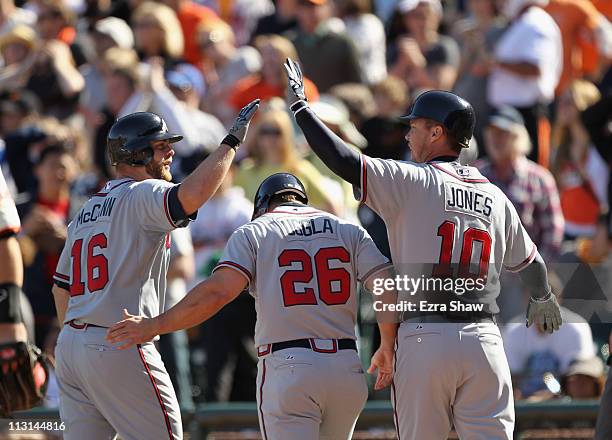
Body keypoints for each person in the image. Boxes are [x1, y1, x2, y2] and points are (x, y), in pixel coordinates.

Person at [283, 58, 563, 439]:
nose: (407, 135)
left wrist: (301, 110)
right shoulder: (495, 197)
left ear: (436, 132)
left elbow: (344, 160)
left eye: (413, 127)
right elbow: (532, 264)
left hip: (425, 337)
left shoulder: (411, 180)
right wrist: (544, 295)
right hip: (484, 341)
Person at [106, 172, 396, 440]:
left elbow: (218, 293)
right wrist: (387, 344)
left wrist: (154, 325)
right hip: (345, 367)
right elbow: (386, 284)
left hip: (290, 366)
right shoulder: (347, 228)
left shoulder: (255, 230)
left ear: (263, 204)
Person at [51, 101, 260, 440]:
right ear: (136, 154)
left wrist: (77, 337)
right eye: (161, 147)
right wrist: (230, 144)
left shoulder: (87, 209)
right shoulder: (144, 191)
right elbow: (190, 197)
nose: (170, 154)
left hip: (72, 344)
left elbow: (60, 288)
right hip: (119, 338)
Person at [487, 0, 562, 166]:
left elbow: (535, 68)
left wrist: (497, 63)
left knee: (531, 171)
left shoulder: (535, 22)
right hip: (511, 113)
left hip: (527, 113)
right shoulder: (524, 23)